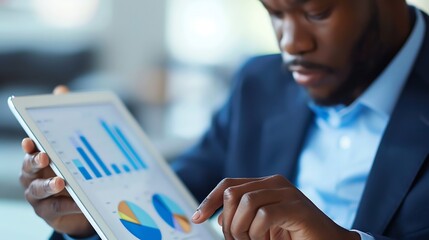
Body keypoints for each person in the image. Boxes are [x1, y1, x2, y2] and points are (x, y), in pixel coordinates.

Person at [19, 0, 429, 239]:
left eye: (316, 12)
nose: (291, 43)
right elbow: (177, 194)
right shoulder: (260, 82)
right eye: (275, 12)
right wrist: (87, 215)